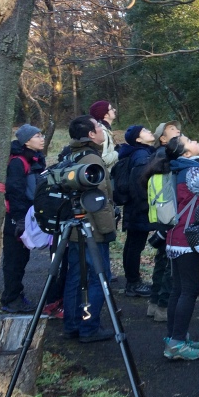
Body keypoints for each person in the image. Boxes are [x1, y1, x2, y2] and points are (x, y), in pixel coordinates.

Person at [62, 115, 117, 343]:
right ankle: (89, 327)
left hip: (74, 226)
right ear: (91, 134)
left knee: (75, 277)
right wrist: (108, 230)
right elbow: (100, 199)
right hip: (92, 230)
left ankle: (72, 325)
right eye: (99, 127)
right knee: (96, 278)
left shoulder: (69, 153)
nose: (102, 130)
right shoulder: (92, 157)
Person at [163, 134, 199, 361]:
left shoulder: (177, 169)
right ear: (186, 153)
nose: (196, 140)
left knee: (178, 289)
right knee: (189, 290)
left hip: (174, 235)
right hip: (188, 238)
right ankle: (177, 343)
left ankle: (174, 337)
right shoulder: (194, 171)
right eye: (190, 140)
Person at [0, 124, 47, 313]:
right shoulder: (18, 162)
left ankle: (15, 297)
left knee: (21, 259)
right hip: (18, 219)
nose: (42, 138)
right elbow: (15, 191)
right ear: (27, 141)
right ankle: (10, 300)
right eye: (37, 135)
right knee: (14, 260)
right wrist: (20, 220)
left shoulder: (34, 159)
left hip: (27, 216)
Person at [144, 121, 181, 321]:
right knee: (170, 263)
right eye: (172, 131)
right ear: (163, 139)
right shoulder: (168, 158)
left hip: (161, 216)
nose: (177, 132)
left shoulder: (156, 158)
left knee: (161, 260)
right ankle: (163, 306)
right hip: (170, 217)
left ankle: (154, 302)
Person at [117, 125, 156, 298]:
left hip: (134, 206)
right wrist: (146, 205)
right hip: (138, 206)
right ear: (138, 139)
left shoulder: (138, 153)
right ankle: (133, 283)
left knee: (132, 244)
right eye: (145, 131)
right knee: (135, 246)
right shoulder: (141, 155)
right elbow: (141, 182)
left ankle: (132, 281)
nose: (150, 132)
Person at [89, 100, 119, 170]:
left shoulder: (103, 129)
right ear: (105, 115)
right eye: (111, 108)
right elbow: (103, 159)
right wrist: (119, 152)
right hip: (107, 176)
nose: (114, 110)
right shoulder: (102, 132)